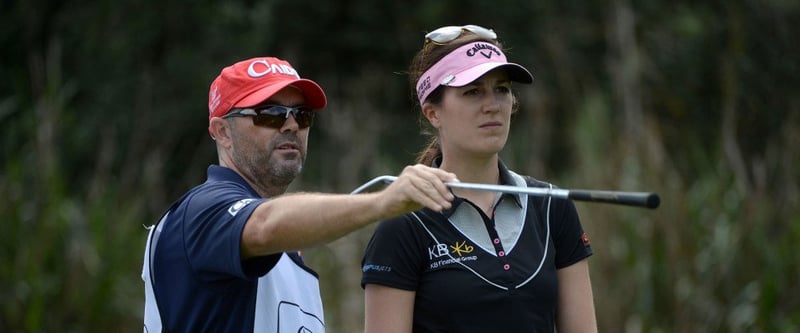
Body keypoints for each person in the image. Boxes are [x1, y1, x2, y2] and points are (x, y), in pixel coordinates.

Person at [141, 56, 459, 332]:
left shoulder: (287, 249)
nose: (291, 125)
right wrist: (383, 202)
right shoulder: (202, 209)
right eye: (270, 114)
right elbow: (265, 225)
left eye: (302, 115)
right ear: (222, 132)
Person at [361, 25, 598, 332]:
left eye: (501, 89)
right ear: (433, 113)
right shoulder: (404, 224)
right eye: (472, 92)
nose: (493, 105)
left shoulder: (552, 206)